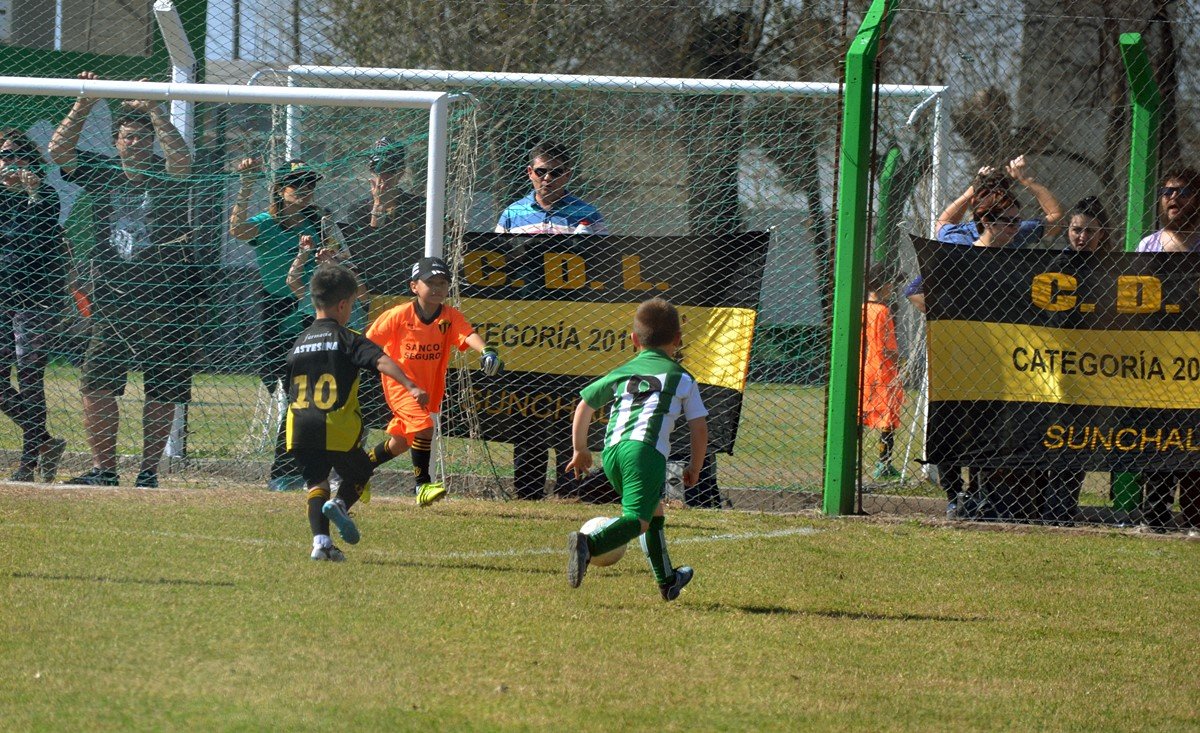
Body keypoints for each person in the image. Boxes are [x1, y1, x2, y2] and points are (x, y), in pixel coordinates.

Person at [48, 71, 197, 488]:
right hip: (112, 299)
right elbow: (58, 150)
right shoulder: (102, 172)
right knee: (96, 384)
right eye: (128, 137)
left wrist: (154, 108)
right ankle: (105, 470)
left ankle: (148, 472)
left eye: (142, 137)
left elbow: (182, 161)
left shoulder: (166, 174)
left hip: (165, 300)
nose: (135, 143)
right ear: (116, 142)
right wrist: (84, 101)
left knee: (163, 387)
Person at [564, 297, 707, 601]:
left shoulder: (623, 371)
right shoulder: (682, 377)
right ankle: (589, 545)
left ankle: (668, 581)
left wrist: (580, 449)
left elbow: (585, 404)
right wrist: (695, 466)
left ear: (633, 340)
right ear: (678, 340)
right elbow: (699, 427)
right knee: (638, 521)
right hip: (644, 452)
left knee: (653, 512)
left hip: (612, 452)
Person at [286, 263, 425, 561]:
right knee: (361, 471)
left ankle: (321, 543)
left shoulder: (298, 342)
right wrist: (410, 385)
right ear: (342, 305)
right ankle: (340, 506)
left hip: (298, 426)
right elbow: (381, 361)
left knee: (317, 482)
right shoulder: (347, 337)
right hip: (334, 425)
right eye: (351, 304)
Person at [495, 141, 608, 500]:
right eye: (541, 171)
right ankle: (527, 489)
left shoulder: (588, 214)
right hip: (525, 329)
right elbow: (495, 266)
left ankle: (569, 487)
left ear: (568, 174)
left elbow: (606, 265)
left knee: (567, 406)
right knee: (526, 405)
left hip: (571, 328)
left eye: (556, 172)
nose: (547, 178)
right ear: (530, 172)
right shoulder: (511, 214)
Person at [364, 256, 500, 506]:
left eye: (442, 283)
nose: (437, 288)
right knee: (425, 427)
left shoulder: (449, 316)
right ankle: (422, 485)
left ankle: (359, 468)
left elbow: (468, 334)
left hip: (428, 388)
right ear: (414, 286)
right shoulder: (398, 315)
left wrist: (486, 351)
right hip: (401, 386)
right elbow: (368, 345)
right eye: (430, 283)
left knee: (401, 443)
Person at [230, 156, 329, 492]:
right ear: (279, 189)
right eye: (295, 184)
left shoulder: (318, 222)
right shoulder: (267, 222)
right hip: (276, 309)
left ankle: (289, 470)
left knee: (305, 392)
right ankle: (288, 469)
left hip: (311, 308)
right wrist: (246, 185)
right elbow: (237, 229)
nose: (304, 190)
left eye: (309, 184)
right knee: (292, 391)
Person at [341, 136, 426, 434]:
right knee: (364, 377)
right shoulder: (358, 210)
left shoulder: (419, 208)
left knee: (407, 377)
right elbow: (366, 250)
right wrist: (377, 206)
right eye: (378, 170)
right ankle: (355, 446)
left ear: (401, 172)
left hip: (407, 303)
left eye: (390, 170)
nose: (384, 177)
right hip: (369, 303)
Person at [1135, 169, 1200, 534]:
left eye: (1183, 192)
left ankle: (1194, 518)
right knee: (1158, 437)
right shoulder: (1149, 245)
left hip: (1196, 360)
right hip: (1156, 360)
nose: (1173, 198)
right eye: (1167, 191)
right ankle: (1154, 515)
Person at [0, 129, 68, 482]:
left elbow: (38, 238)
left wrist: (33, 193)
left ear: (32, 161)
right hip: (2, 296)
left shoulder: (45, 195)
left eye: (18, 155)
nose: (11, 162)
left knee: (29, 375)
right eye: (5, 156)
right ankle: (45, 441)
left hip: (37, 297)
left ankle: (28, 463)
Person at [860, 265, 903, 481]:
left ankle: (852, 459)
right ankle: (883, 463)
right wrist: (899, 362)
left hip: (863, 367)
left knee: (860, 412)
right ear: (884, 286)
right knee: (888, 417)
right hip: (882, 370)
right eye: (891, 284)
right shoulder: (883, 311)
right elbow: (887, 348)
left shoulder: (861, 308)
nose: (893, 288)